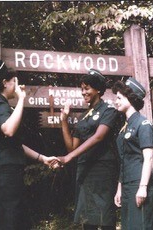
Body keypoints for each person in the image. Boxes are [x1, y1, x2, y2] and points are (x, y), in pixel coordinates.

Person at [0, 60, 59, 230]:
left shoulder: (1, 106)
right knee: (9, 220)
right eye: (14, 81)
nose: (17, 85)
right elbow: (9, 130)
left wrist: (42, 158)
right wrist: (21, 99)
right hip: (6, 172)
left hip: (10, 169)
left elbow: (15, 144)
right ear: (5, 83)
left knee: (16, 219)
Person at [58, 69, 119, 230]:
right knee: (87, 219)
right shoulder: (83, 117)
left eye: (87, 88)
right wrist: (64, 121)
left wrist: (69, 158)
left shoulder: (109, 110)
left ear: (98, 89)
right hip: (85, 170)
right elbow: (72, 146)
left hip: (102, 170)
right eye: (82, 89)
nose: (84, 92)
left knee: (105, 218)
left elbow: (99, 136)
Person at [112, 77, 153, 230]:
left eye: (119, 98)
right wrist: (120, 188)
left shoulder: (143, 124)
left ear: (130, 99)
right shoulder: (125, 127)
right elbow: (124, 160)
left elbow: (148, 157)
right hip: (127, 185)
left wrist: (143, 187)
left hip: (139, 183)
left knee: (142, 225)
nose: (115, 101)